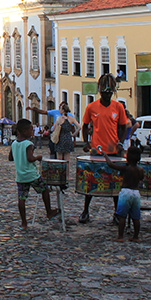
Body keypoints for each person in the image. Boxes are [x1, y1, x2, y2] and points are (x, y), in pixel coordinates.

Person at [80, 74, 130, 224]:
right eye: (105, 92)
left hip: (113, 148)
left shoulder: (118, 107)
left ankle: (117, 212)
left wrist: (120, 142)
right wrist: (86, 142)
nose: (107, 95)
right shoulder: (91, 107)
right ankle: (85, 211)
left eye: (110, 92)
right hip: (97, 149)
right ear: (100, 92)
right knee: (91, 181)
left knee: (115, 183)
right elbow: (84, 125)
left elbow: (123, 126)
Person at [8, 118, 60, 229]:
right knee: (44, 190)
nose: (33, 132)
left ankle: (24, 223)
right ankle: (49, 212)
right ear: (25, 132)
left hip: (20, 176)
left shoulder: (14, 143)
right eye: (31, 130)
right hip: (31, 175)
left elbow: (10, 158)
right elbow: (30, 158)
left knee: (21, 199)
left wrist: (18, 156)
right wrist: (38, 157)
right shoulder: (28, 144)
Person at [103, 145, 144, 242]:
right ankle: (136, 236)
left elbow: (111, 165)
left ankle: (120, 236)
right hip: (136, 193)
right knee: (136, 217)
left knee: (122, 217)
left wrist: (106, 156)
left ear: (127, 157)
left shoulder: (126, 168)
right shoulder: (140, 169)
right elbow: (141, 178)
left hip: (125, 193)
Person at [51, 102, 79, 168]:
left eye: (60, 108)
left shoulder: (59, 119)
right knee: (67, 160)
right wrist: (73, 134)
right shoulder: (71, 118)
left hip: (60, 139)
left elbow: (53, 129)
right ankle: (67, 176)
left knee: (59, 160)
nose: (59, 109)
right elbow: (79, 127)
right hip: (68, 138)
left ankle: (61, 175)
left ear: (63, 110)